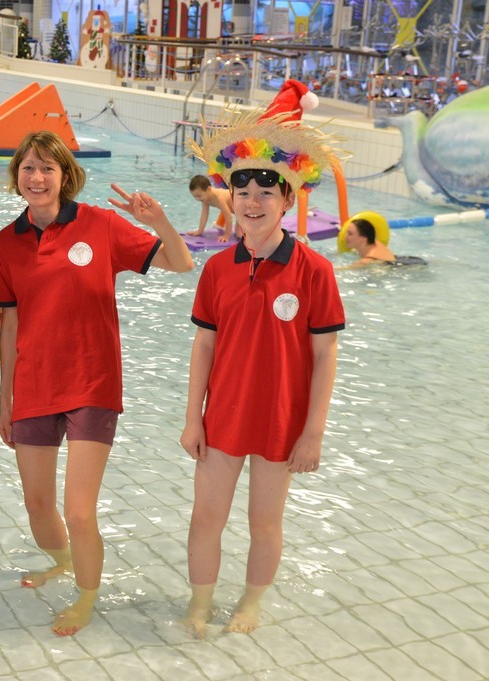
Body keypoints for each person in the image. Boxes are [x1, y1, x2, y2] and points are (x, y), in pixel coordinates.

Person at [0, 130, 194, 636]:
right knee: (37, 505)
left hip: (91, 382)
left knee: (78, 511)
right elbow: (10, 324)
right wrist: (6, 401)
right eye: (28, 168)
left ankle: (86, 596)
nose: (37, 178)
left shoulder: (100, 226)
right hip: (35, 384)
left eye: (47, 168)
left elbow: (181, 262)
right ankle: (63, 562)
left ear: (65, 176)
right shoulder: (5, 243)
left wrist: (159, 223)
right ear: (16, 175)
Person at [182, 105, 345, 637]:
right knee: (205, 518)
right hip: (224, 415)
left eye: (265, 194)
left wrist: (313, 432)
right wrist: (192, 418)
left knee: (263, 522)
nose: (252, 203)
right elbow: (204, 346)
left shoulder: (314, 271)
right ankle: (200, 603)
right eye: (243, 193)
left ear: (286, 201)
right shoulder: (216, 268)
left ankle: (250, 602)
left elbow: (325, 357)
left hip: (282, 419)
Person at [186, 175, 236, 242]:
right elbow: (204, 215)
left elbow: (228, 217)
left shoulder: (219, 197)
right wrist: (199, 231)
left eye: (199, 196)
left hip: (244, 209)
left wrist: (227, 235)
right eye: (195, 197)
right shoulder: (205, 197)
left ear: (209, 189)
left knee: (239, 234)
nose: (197, 199)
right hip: (237, 212)